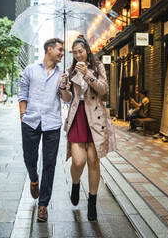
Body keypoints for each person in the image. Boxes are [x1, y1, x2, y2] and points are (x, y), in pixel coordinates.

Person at [62, 35, 116, 222]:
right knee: (78, 161)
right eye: (75, 52)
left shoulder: (98, 66)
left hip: (95, 117)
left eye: (81, 51)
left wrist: (87, 73)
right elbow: (68, 99)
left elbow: (103, 89)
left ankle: (92, 202)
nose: (78, 55)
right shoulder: (69, 70)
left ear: (87, 51)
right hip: (77, 117)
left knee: (93, 160)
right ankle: (76, 184)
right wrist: (63, 88)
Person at [18, 38, 71, 222]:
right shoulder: (30, 70)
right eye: (60, 49)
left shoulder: (62, 74)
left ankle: (43, 205)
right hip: (31, 121)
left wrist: (64, 86)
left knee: (49, 163)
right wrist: (23, 114)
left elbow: (67, 99)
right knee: (29, 157)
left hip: (52, 123)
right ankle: (34, 179)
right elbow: (22, 93)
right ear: (49, 49)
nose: (62, 53)